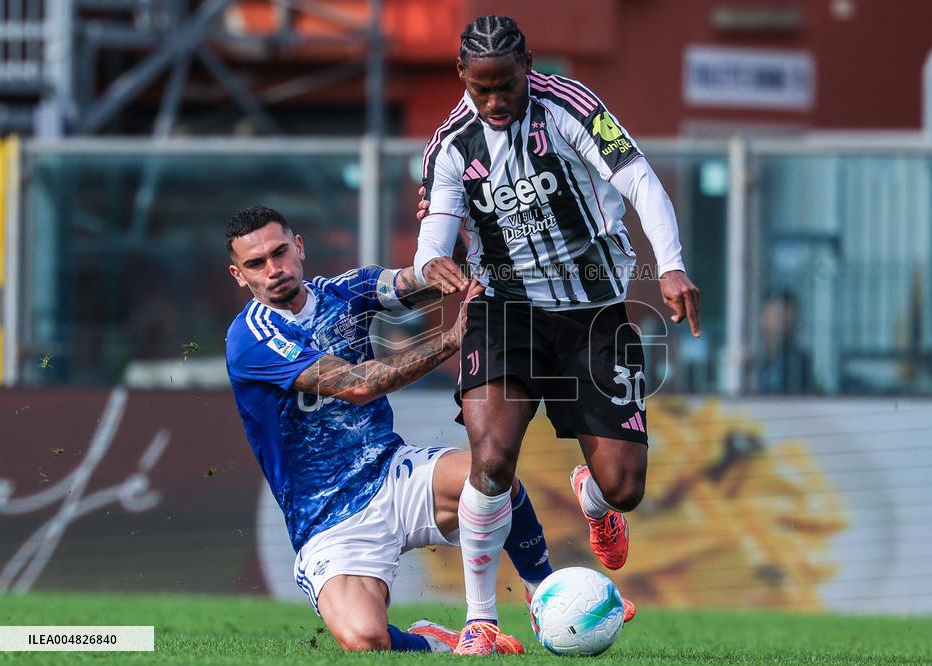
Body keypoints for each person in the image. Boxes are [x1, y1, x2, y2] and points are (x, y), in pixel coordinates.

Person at [413, 15, 699, 653]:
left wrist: (671, 265)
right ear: (461, 76)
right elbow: (434, 236)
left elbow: (640, 180)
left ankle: (592, 502)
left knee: (624, 486)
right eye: (481, 88)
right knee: (491, 461)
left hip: (593, 312)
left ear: (528, 66)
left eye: (506, 85)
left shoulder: (571, 108)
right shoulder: (451, 145)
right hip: (504, 311)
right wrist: (432, 263)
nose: (495, 101)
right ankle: (481, 620)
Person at [224, 205, 556, 653]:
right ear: (238, 275)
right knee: (365, 639)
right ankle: (438, 644)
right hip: (328, 519)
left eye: (279, 252)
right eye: (256, 263)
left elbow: (434, 278)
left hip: (394, 473)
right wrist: (451, 340)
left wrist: (453, 220)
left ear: (299, 247)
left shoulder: (348, 290)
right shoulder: (251, 338)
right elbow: (357, 386)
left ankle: (547, 595)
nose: (273, 269)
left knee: (491, 474)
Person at [755, 290, 816, 394]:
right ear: (763, 318)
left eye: (789, 318)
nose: (783, 324)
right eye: (777, 315)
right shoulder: (752, 359)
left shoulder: (800, 363)